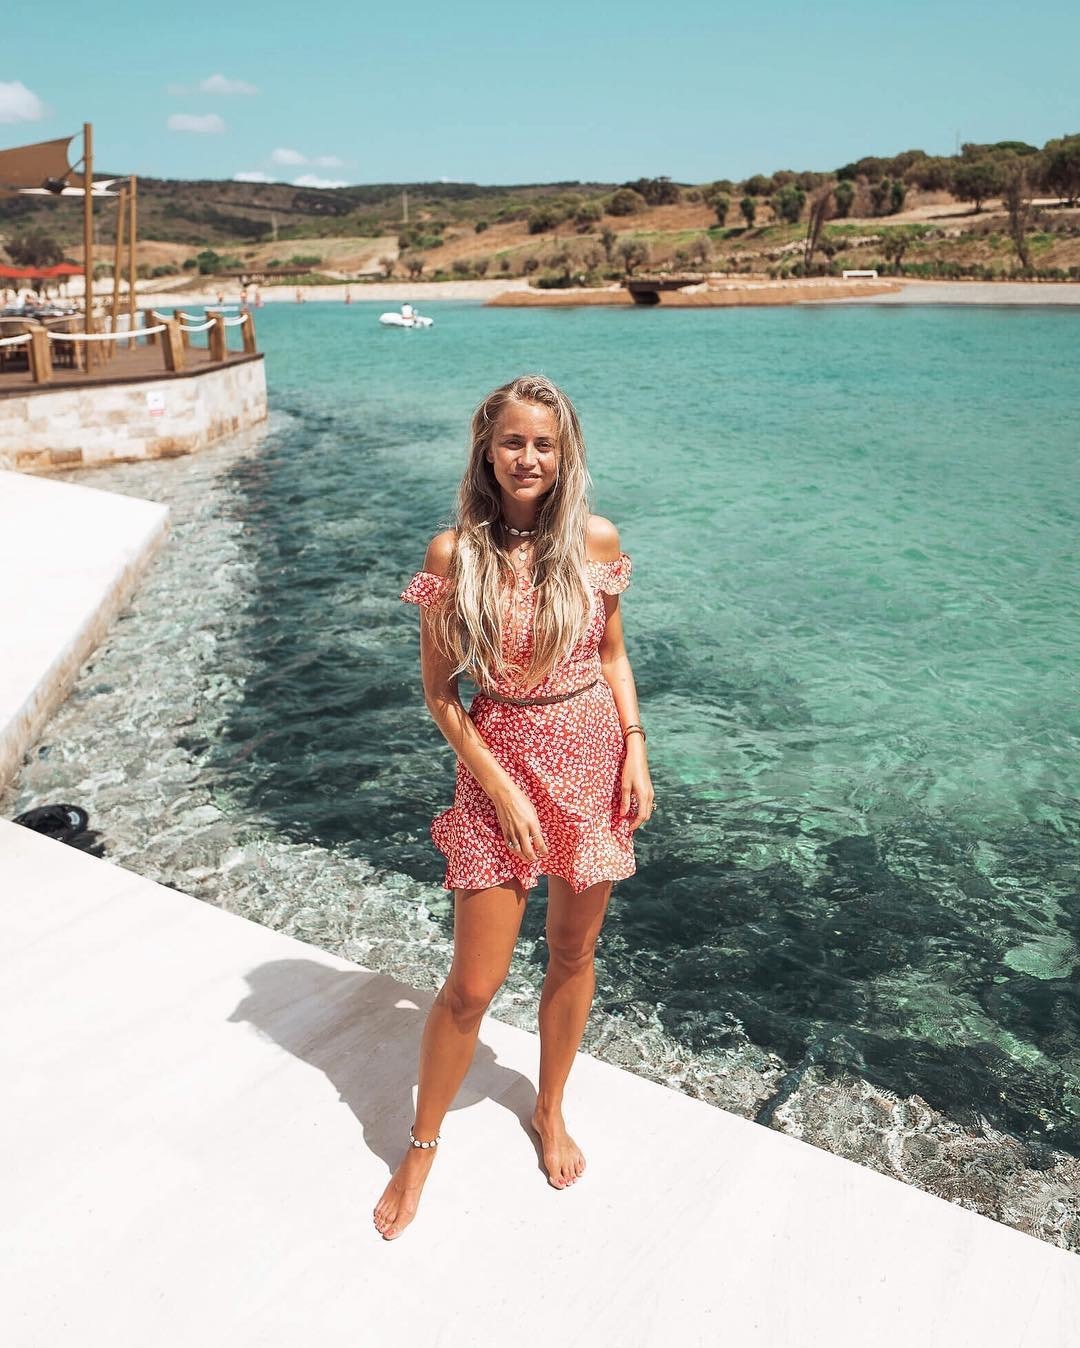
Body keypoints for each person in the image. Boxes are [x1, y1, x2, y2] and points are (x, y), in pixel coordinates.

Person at [374, 373, 655, 1241]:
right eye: (513, 442)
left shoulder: (595, 540)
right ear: (486, 451)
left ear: (563, 455)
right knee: (472, 985)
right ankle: (421, 1145)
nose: (527, 457)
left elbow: (611, 654)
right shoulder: (452, 555)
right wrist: (497, 785)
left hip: (591, 759)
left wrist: (636, 745)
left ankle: (550, 1107)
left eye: (544, 444)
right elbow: (440, 691)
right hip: (497, 764)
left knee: (573, 952)